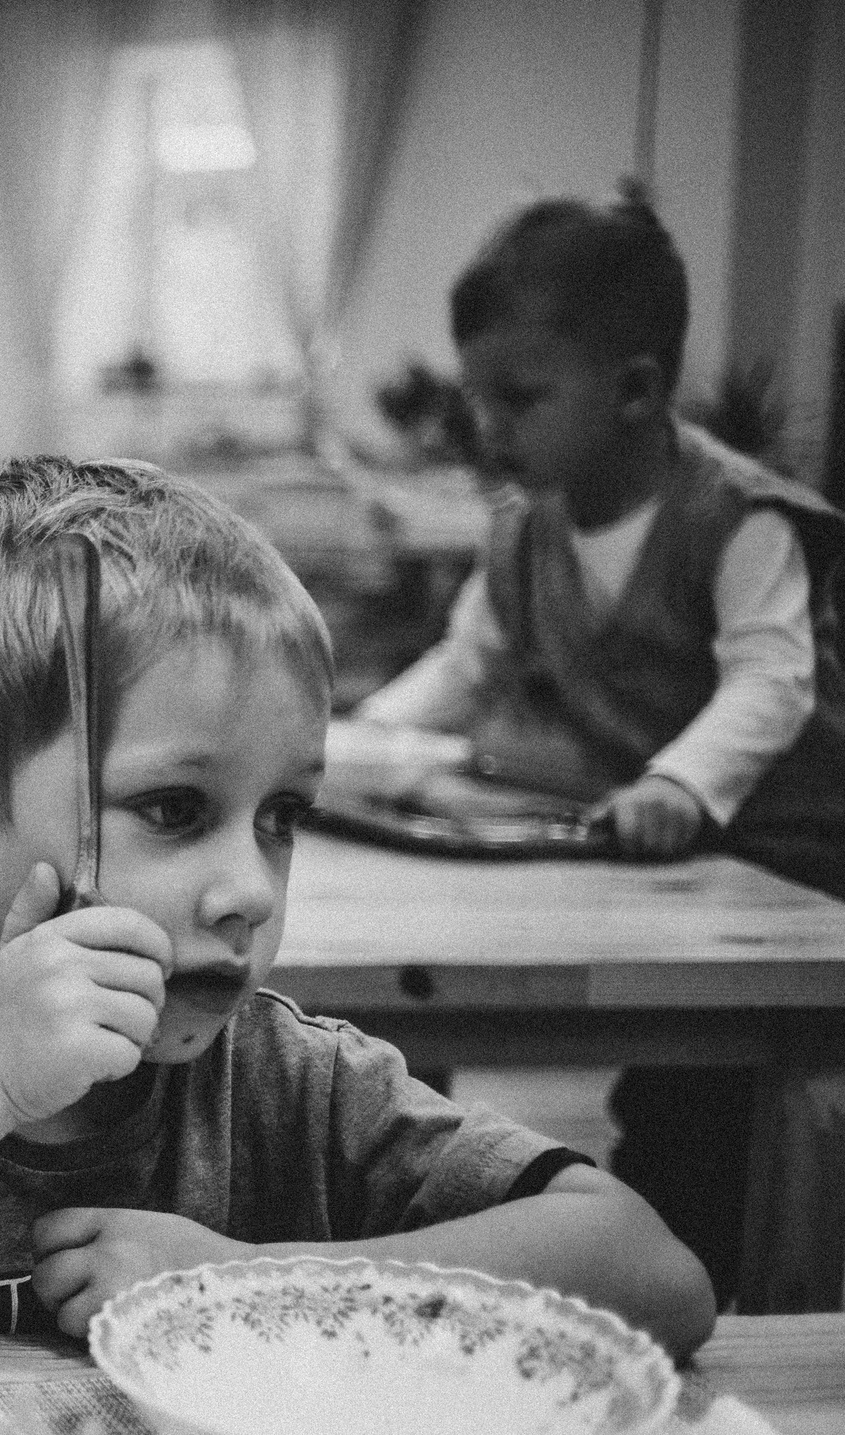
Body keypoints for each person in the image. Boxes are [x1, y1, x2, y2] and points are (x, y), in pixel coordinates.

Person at [0, 456, 716, 1370]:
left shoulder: (286, 1082)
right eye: (173, 809)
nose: (250, 888)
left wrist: (253, 1282)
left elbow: (648, 1272)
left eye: (281, 815)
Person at [353, 190, 845, 1300]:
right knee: (659, 1097)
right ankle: (648, 1257)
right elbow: (468, 660)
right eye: (479, 396)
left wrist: (682, 779)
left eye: (518, 397)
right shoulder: (527, 527)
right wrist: (359, 737)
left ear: (635, 389)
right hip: (656, 871)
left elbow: (772, 678)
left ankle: (732, 1290)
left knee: (718, 1104)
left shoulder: (736, 517)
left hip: (783, 865)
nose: (489, 426)